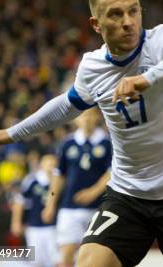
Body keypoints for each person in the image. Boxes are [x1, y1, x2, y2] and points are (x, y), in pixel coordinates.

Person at [0, 0, 163, 267]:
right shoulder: (93, 67)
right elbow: (66, 106)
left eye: (134, 11)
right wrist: (12, 133)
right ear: (96, 24)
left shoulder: (160, 42)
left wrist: (148, 78)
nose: (128, 21)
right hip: (128, 194)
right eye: (116, 14)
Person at [42, 109, 112, 267]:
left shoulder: (108, 142)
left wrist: (93, 192)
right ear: (75, 120)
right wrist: (50, 204)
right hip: (69, 208)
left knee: (97, 257)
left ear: (97, 117)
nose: (86, 119)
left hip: (99, 208)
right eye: (82, 115)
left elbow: (112, 173)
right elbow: (59, 176)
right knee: (66, 255)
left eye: (90, 114)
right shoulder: (67, 143)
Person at [11, 154, 59, 267]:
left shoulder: (59, 181)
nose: (51, 167)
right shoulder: (32, 180)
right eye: (49, 164)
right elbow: (20, 201)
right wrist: (16, 222)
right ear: (42, 165)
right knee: (36, 261)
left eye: (54, 165)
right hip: (34, 227)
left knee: (56, 260)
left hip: (54, 227)